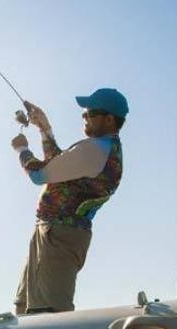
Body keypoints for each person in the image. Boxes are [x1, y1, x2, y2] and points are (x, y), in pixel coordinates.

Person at [11, 88, 127, 314]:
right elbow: (58, 166)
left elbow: (40, 174)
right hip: (53, 233)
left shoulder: (94, 150)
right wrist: (44, 129)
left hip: (59, 236)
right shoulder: (101, 148)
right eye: (84, 113)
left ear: (110, 119)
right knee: (24, 308)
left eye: (90, 113)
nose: (84, 117)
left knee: (47, 314)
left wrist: (21, 149)